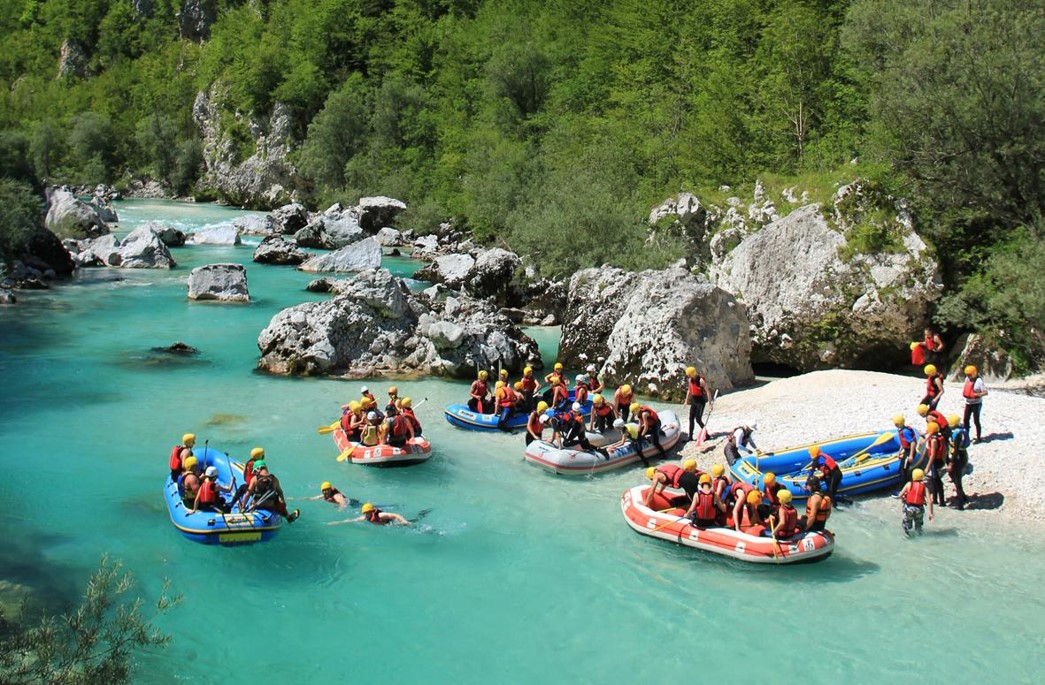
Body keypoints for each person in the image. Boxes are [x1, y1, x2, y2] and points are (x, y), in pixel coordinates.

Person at [898, 468, 933, 536]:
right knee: (919, 526)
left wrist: (903, 499)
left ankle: (908, 537)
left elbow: (900, 495)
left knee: (907, 525)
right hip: (919, 509)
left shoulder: (909, 484)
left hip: (909, 508)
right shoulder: (925, 487)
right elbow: (930, 501)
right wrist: (931, 513)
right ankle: (919, 535)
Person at [947, 414, 970, 510]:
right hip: (962, 456)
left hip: (958, 459)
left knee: (957, 480)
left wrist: (951, 463)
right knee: (954, 477)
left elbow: (955, 451)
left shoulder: (957, 435)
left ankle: (960, 505)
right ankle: (963, 497)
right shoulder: (959, 430)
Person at [684, 366, 712, 439]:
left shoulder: (701, 381)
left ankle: (707, 435)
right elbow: (689, 390)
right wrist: (686, 401)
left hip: (700, 401)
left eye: (689, 375)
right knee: (691, 418)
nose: (688, 376)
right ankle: (690, 437)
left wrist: (710, 403)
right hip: (694, 400)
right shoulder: (690, 380)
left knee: (698, 419)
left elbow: (708, 391)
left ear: (692, 374)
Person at [961, 365, 988, 443]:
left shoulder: (979, 381)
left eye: (969, 374)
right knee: (965, 420)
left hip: (976, 404)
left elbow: (986, 392)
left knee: (976, 420)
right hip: (968, 403)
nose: (968, 376)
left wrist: (977, 395)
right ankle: (966, 437)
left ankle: (978, 437)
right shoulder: (967, 379)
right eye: (967, 374)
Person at [924, 422, 947, 507]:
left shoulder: (934, 440)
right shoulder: (940, 437)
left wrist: (927, 467)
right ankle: (935, 500)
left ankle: (941, 501)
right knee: (934, 480)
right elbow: (944, 450)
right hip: (940, 460)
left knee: (936, 480)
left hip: (935, 462)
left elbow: (933, 455)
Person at [893, 414, 919, 482]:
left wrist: (911, 455)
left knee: (904, 470)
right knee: (902, 468)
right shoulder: (902, 430)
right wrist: (899, 453)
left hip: (909, 451)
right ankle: (905, 483)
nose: (895, 425)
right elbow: (903, 443)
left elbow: (912, 443)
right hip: (906, 451)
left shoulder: (905, 432)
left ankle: (908, 484)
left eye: (896, 424)